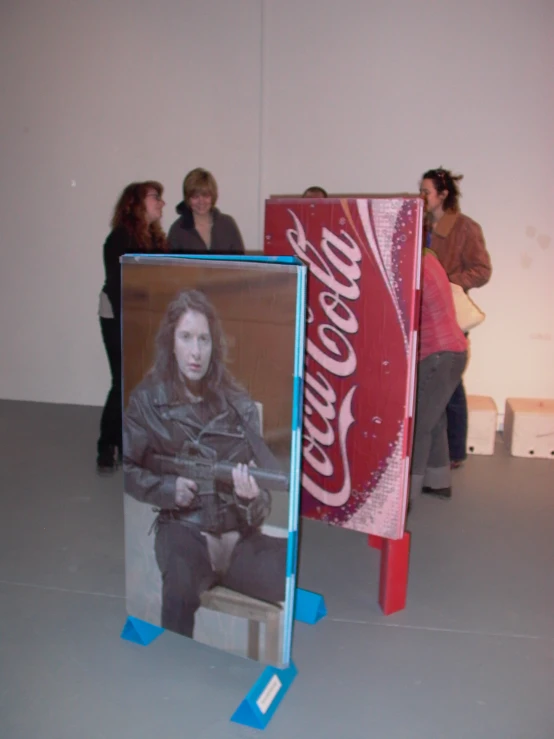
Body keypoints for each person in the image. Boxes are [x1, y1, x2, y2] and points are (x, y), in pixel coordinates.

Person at [122, 289, 287, 638]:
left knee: (288, 569)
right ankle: (173, 671)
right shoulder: (147, 401)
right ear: (171, 342)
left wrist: (251, 499)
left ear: (215, 346)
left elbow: (263, 501)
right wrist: (167, 490)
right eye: (186, 338)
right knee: (179, 594)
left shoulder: (237, 403)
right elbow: (126, 467)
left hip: (240, 541)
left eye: (204, 340)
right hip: (183, 532)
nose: (196, 352)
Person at [419, 168, 492, 468]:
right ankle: (440, 455)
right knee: (433, 385)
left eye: (426, 191)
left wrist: (448, 282)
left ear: (443, 194)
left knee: (450, 385)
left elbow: (482, 270)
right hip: (422, 315)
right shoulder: (420, 224)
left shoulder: (465, 228)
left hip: (449, 313)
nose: (421, 196)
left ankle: (455, 452)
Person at [97, 181, 167, 475]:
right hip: (118, 316)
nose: (161, 204)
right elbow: (119, 285)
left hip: (143, 317)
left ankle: (132, 446)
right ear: (135, 203)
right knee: (123, 381)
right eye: (155, 198)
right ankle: (106, 446)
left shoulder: (155, 239)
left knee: (140, 383)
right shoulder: (120, 238)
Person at [410, 248, 468, 502]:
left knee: (418, 425)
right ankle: (438, 481)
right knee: (434, 420)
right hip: (453, 351)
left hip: (438, 355)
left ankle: (404, 496)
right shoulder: (429, 258)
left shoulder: (415, 268)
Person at [167, 168, 245, 254]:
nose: (201, 201)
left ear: (213, 196)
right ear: (187, 199)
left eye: (206, 195)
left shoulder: (227, 224)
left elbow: (241, 263)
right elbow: (171, 265)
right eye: (195, 196)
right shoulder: (177, 230)